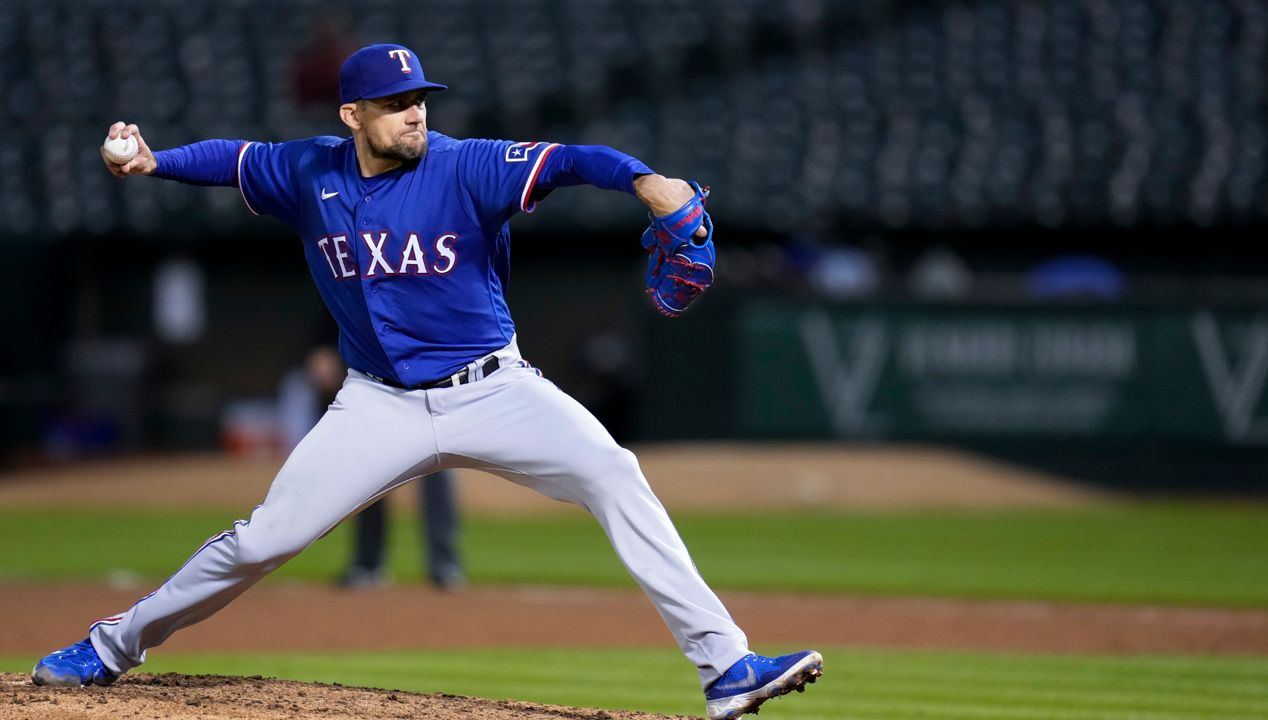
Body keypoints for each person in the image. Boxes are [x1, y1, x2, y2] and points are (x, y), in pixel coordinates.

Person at [33, 44, 822, 720]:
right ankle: (108, 647)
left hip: (495, 391)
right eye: (394, 103)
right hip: (376, 404)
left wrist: (646, 180)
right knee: (262, 540)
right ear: (352, 115)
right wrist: (151, 161)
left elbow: (574, 161)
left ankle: (725, 669)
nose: (414, 114)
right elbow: (231, 160)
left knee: (615, 473)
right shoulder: (310, 168)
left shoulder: (465, 164)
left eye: (419, 99)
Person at [279, 344, 464, 590]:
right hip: (377, 384)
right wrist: (323, 349)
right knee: (368, 472)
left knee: (437, 470)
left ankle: (445, 564)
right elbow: (330, 321)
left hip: (429, 383)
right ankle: (368, 563)